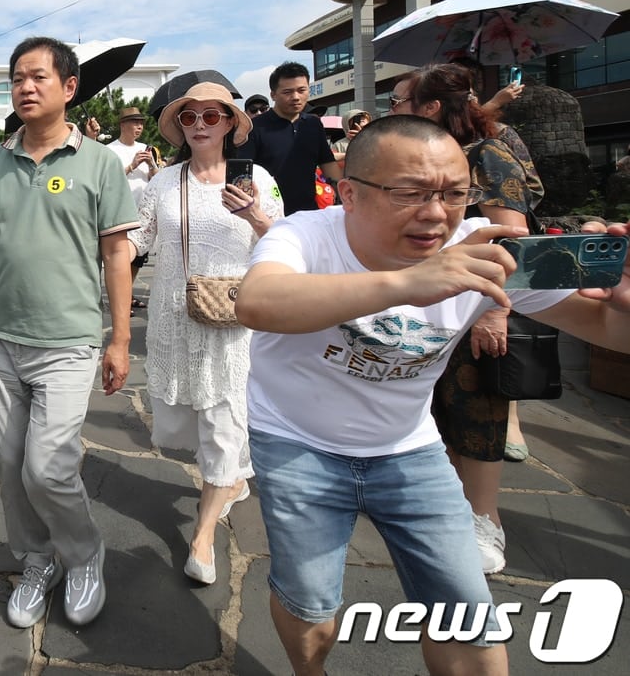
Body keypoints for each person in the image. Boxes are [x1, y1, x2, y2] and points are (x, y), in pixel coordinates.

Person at [235, 114, 630, 676]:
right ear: (349, 192)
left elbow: (607, 330)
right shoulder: (303, 233)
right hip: (297, 444)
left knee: (467, 617)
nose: (436, 214)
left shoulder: (480, 249)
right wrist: (410, 282)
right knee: (312, 609)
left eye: (454, 194)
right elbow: (259, 302)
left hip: (410, 450)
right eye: (410, 193)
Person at [0, 36, 138, 629]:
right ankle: (35, 560)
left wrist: (121, 339)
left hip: (69, 341)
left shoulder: (100, 163)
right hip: (2, 336)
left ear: (69, 88)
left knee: (48, 467)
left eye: (38, 77)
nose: (25, 87)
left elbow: (116, 253)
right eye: (17, 78)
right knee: (9, 461)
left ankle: (83, 556)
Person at [389, 64, 542, 573]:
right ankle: (446, 512)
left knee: (477, 413)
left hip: (475, 307)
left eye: (400, 101)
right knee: (434, 415)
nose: (394, 111)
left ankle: (484, 519)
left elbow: (511, 237)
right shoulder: (425, 160)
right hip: (425, 306)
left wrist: (495, 312)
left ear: (431, 108)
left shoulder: (487, 156)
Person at [128, 82, 281, 585]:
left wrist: (254, 214)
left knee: (223, 413)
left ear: (231, 124)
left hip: (233, 317)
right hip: (175, 312)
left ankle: (202, 532)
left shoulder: (257, 178)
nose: (199, 124)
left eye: (211, 116)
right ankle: (232, 474)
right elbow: (137, 238)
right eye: (190, 116)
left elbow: (283, 241)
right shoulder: (164, 183)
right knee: (181, 419)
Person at [237, 63, 340, 215]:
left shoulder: (313, 124)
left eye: (301, 90)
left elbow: (327, 163)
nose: (296, 97)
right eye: (287, 92)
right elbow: (243, 172)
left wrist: (343, 193)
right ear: (273, 94)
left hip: (309, 212)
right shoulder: (255, 128)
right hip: (269, 214)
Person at [105, 105, 160, 307]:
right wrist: (132, 166)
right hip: (120, 212)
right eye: (134, 122)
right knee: (121, 258)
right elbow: (107, 180)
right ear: (122, 124)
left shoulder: (146, 148)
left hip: (143, 212)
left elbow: (156, 178)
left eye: (141, 123)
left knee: (138, 259)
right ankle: (119, 300)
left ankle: (126, 296)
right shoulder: (110, 150)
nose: (139, 127)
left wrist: (151, 165)